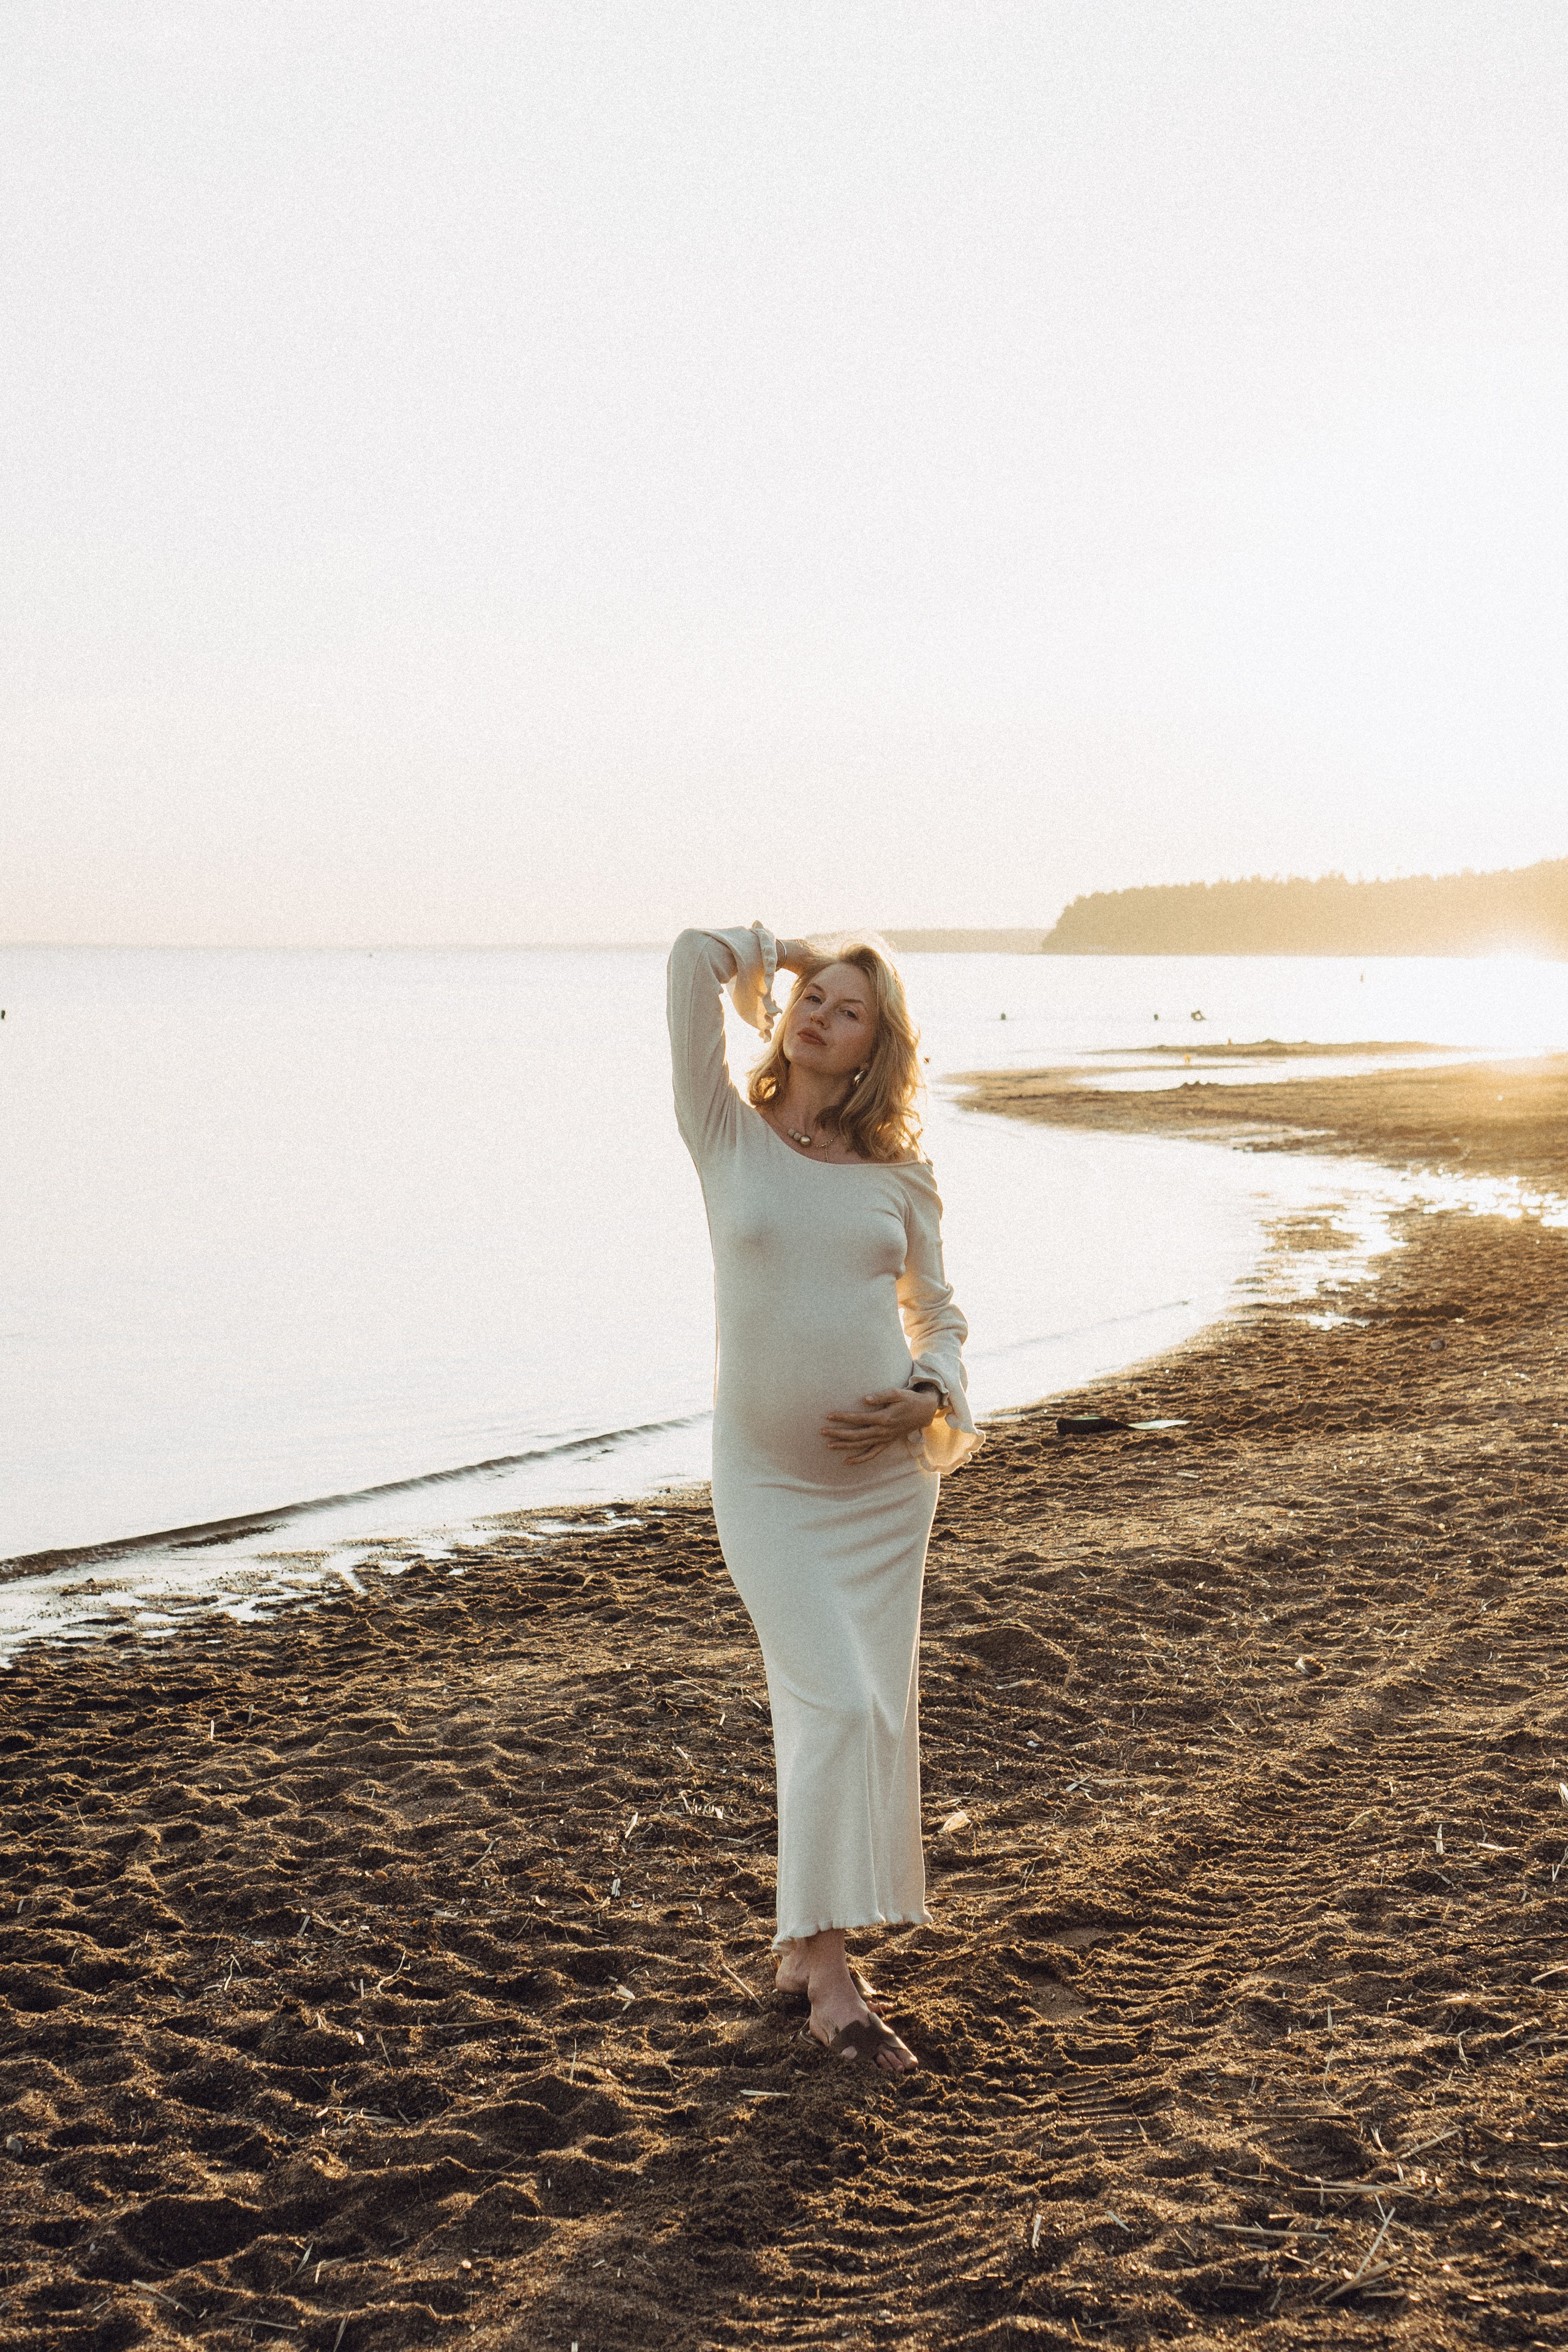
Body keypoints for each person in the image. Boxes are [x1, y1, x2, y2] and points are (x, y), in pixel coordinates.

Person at [667, 921, 981, 2073]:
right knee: (837, 1704)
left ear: (874, 1050)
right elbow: (689, 959)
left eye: (851, 1012)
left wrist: (928, 1393)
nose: (820, 1017)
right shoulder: (725, 1133)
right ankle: (831, 1975)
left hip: (881, 1494)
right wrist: (790, 950)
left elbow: (936, 1314)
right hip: (767, 1483)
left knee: (859, 1711)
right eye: (811, 998)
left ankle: (810, 1952)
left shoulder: (901, 1177)